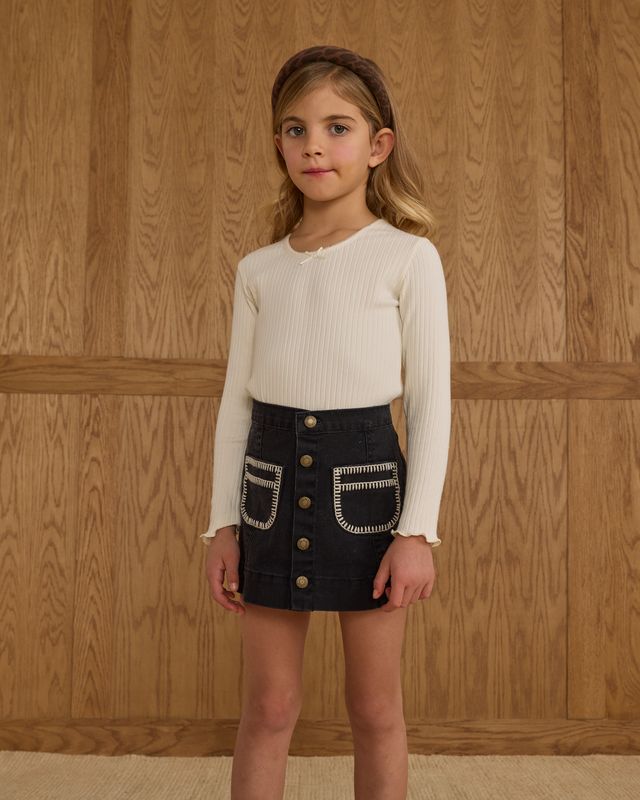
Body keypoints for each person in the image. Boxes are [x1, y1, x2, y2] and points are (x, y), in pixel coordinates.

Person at [200, 45, 451, 800]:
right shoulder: (259, 270)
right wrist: (222, 525)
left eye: (338, 128)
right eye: (296, 129)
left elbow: (430, 403)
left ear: (378, 146)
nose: (315, 145)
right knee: (269, 706)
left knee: (374, 709)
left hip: (367, 492)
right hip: (268, 489)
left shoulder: (408, 258)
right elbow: (237, 405)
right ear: (278, 145)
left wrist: (416, 533)